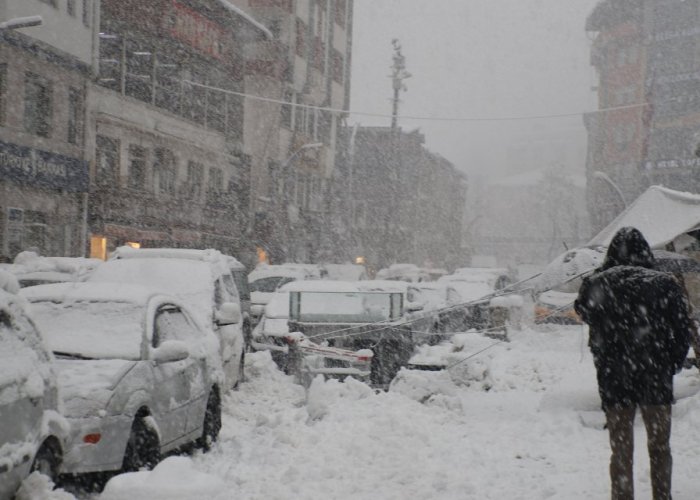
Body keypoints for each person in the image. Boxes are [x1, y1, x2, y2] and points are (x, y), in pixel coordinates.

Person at [574, 227, 692, 500]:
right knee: (660, 446)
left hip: (614, 378)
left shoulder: (597, 283)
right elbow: (681, 330)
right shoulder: (664, 284)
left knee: (621, 450)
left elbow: (584, 311)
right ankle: (662, 495)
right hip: (655, 377)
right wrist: (670, 363)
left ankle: (622, 495)